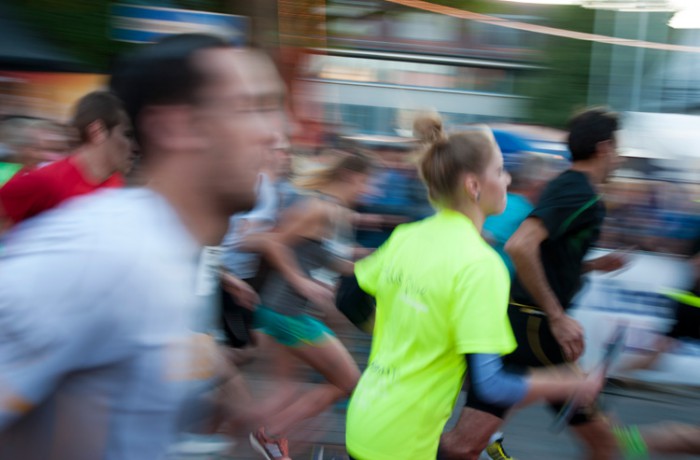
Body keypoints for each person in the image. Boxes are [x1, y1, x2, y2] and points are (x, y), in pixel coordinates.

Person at [0, 34, 278, 459]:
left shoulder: (164, 250)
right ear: (176, 127)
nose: (275, 134)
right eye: (249, 108)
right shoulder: (99, 253)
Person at [341, 119, 604, 460]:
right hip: (403, 444)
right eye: (500, 170)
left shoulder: (407, 236)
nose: (508, 178)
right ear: (473, 186)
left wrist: (406, 333)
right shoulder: (481, 264)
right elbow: (493, 386)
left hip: (365, 420)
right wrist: (571, 384)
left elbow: (348, 296)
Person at [440, 108, 627, 460]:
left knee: (464, 446)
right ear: (604, 148)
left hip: (527, 324)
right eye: (618, 148)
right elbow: (520, 246)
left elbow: (542, 254)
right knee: (604, 442)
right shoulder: (579, 191)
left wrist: (588, 265)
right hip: (536, 328)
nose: (619, 157)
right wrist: (557, 316)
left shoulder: (569, 186)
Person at [242, 152, 373, 460]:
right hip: (286, 312)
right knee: (350, 383)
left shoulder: (338, 212)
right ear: (352, 177)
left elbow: (336, 262)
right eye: (369, 182)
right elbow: (270, 242)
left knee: (284, 394)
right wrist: (300, 281)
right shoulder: (316, 207)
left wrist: (381, 260)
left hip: (286, 312)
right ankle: (269, 436)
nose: (371, 191)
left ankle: (238, 436)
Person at [0, 92, 134, 232]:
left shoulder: (116, 183)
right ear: (97, 132)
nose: (136, 147)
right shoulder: (46, 181)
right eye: (127, 135)